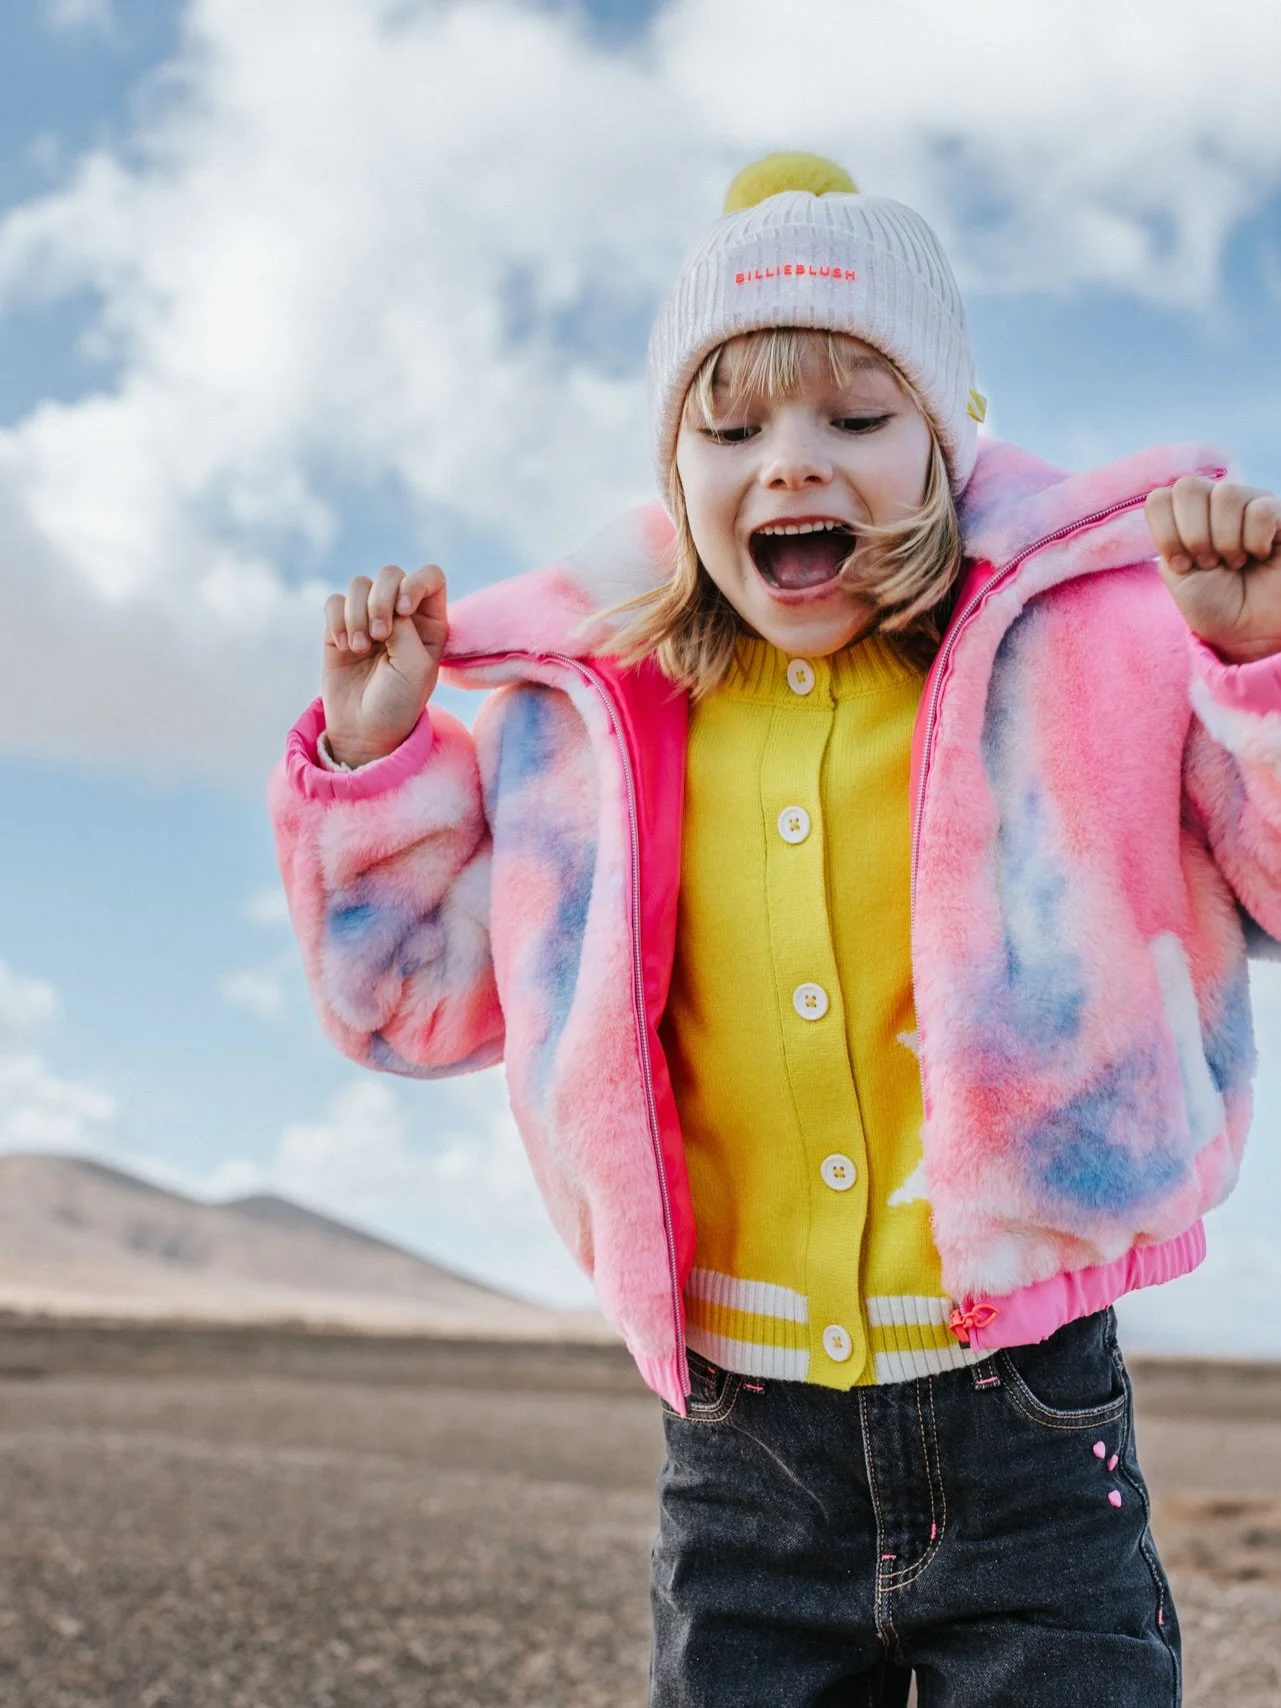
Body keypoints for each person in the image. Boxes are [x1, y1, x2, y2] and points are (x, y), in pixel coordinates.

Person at [270, 153, 1281, 1705]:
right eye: (733, 430)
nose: (792, 465)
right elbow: (408, 1007)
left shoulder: (1094, 657)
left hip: (1027, 1417)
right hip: (742, 1454)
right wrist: (376, 760)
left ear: (946, 442)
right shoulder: (582, 725)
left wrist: (1255, 666)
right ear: (675, 474)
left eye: (857, 419)